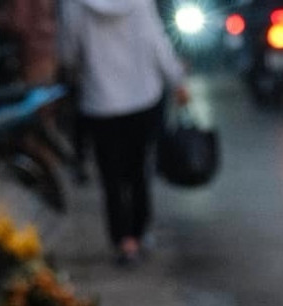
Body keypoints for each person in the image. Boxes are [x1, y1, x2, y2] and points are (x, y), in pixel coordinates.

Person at [61, 0, 189, 266]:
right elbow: (157, 41)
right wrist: (176, 79)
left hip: (100, 100)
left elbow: (69, 49)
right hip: (143, 95)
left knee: (111, 176)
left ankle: (124, 241)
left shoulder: (74, 3)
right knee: (138, 170)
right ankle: (140, 233)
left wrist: (75, 71)